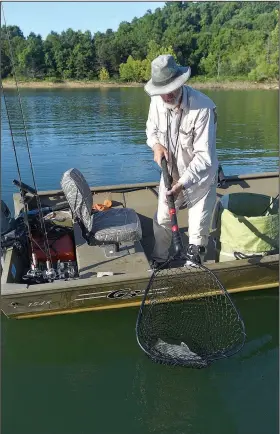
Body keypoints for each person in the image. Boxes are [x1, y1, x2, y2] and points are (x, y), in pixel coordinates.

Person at [144, 54, 218, 269]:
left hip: (200, 178)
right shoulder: (156, 101)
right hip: (170, 173)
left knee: (197, 230)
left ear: (181, 83)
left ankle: (194, 264)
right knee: (163, 219)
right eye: (161, 92)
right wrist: (156, 145)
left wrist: (182, 184)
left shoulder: (203, 107)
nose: (166, 96)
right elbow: (152, 130)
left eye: (170, 90)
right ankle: (159, 259)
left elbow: (204, 157)